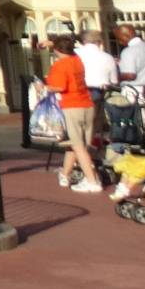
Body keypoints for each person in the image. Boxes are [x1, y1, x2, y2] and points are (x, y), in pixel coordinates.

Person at [45, 33, 102, 193]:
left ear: (56, 50)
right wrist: (52, 43)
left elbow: (59, 86)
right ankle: (65, 173)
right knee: (78, 143)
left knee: (78, 146)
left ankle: (92, 180)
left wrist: (43, 87)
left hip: (72, 105)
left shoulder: (60, 65)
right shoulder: (77, 60)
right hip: (87, 103)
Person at [76, 29, 120, 99]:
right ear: (99, 42)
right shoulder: (108, 57)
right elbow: (114, 81)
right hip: (101, 92)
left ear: (84, 41)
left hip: (80, 90)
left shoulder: (75, 54)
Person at [118, 22, 145, 102]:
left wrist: (117, 77)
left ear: (126, 36)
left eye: (119, 38)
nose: (119, 42)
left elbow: (130, 75)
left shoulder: (128, 51)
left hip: (135, 92)